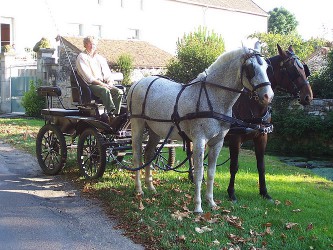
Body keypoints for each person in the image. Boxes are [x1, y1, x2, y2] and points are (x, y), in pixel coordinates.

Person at [75, 36, 123, 120]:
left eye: (94, 44)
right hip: (90, 85)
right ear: (85, 45)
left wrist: (110, 83)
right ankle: (110, 115)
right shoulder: (82, 57)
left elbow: (108, 74)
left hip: (104, 83)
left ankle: (115, 116)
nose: (92, 46)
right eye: (90, 44)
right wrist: (103, 85)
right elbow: (89, 78)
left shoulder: (100, 58)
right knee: (105, 91)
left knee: (118, 92)